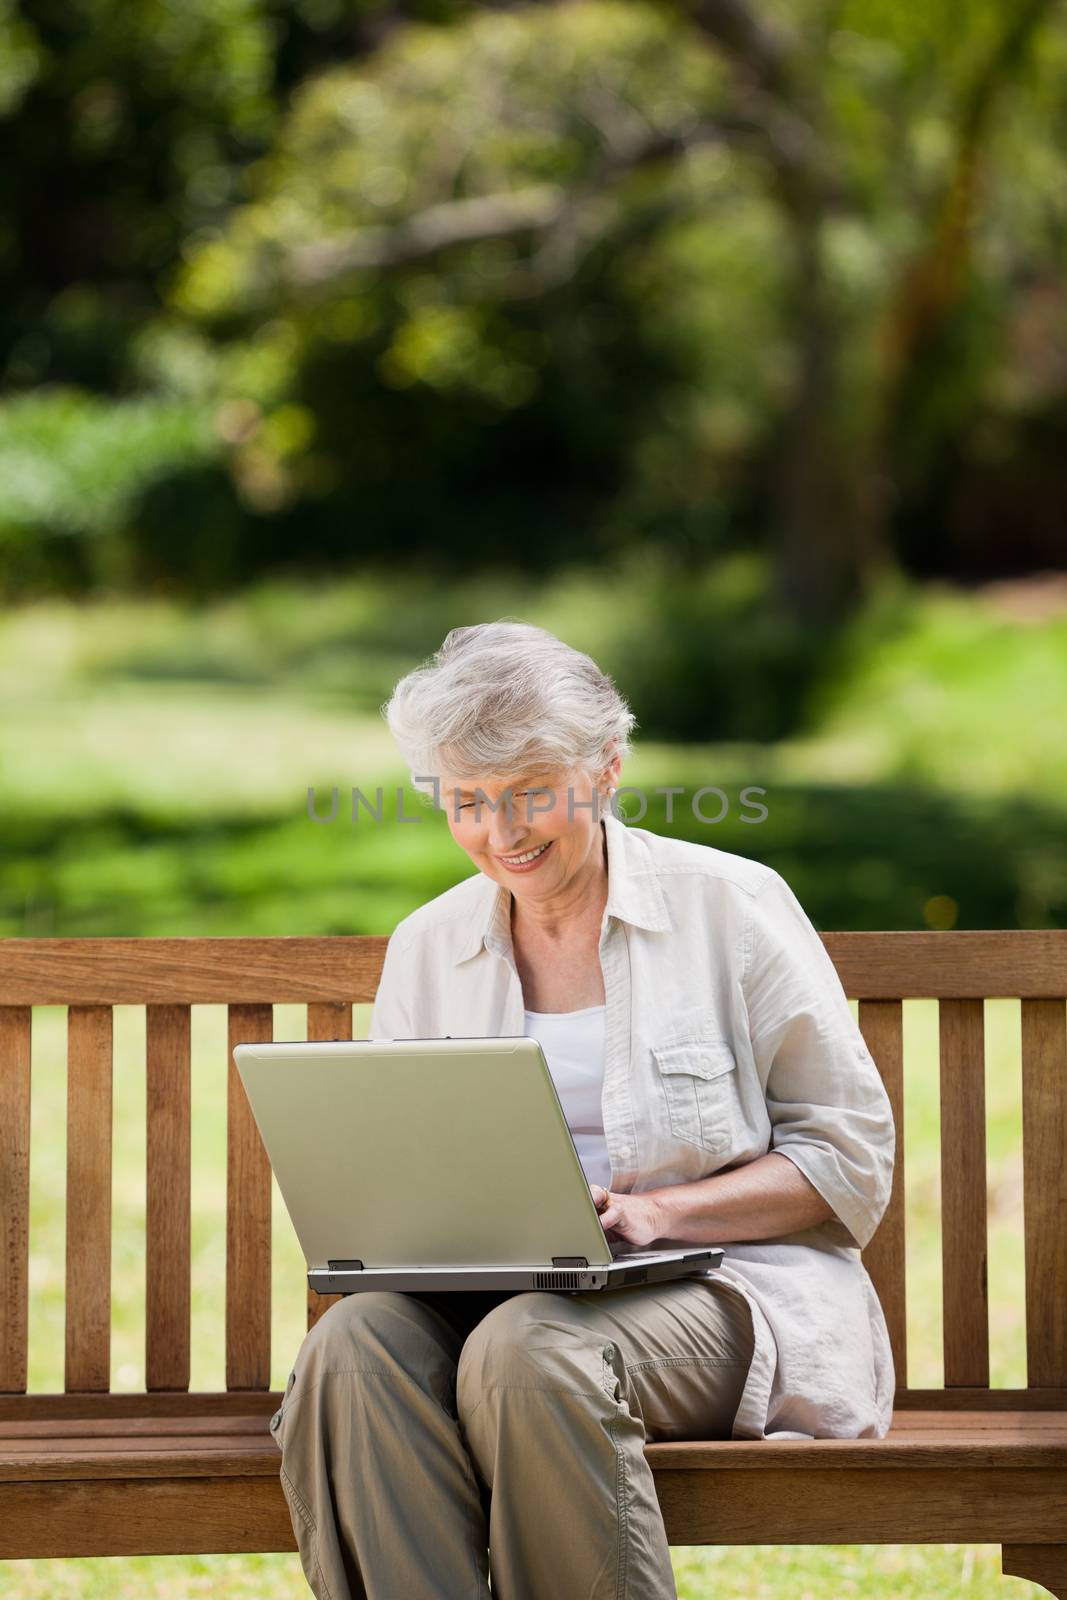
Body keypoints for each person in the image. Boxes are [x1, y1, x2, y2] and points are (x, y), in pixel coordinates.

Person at [269, 620, 896, 1600]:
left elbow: (845, 1157)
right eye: (466, 803)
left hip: (727, 1289)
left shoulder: (728, 906)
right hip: (493, 1299)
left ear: (604, 771)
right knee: (352, 1350)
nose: (501, 832)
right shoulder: (431, 944)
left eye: (529, 794)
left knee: (528, 1350)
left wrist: (654, 1213)